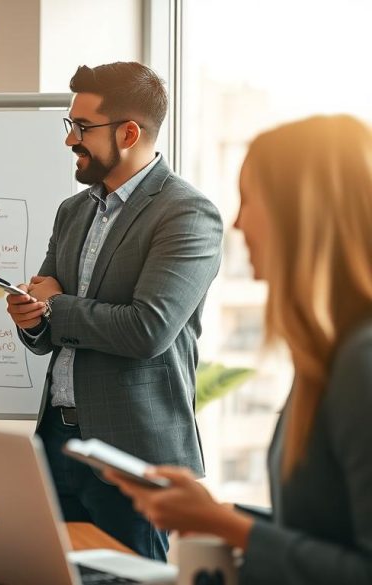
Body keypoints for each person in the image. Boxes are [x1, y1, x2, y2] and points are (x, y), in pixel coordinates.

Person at [107, 115, 372, 583]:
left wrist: (225, 525)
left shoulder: (362, 362)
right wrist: (215, 513)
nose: (238, 222)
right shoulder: (330, 358)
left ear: (302, 214)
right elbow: (324, 533)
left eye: (251, 199)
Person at [5, 62, 223, 560]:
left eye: (82, 128)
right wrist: (32, 317)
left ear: (129, 132)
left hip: (133, 454)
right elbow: (47, 317)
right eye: (70, 125)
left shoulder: (186, 213)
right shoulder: (73, 210)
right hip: (57, 441)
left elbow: (147, 330)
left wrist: (55, 306)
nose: (70, 140)